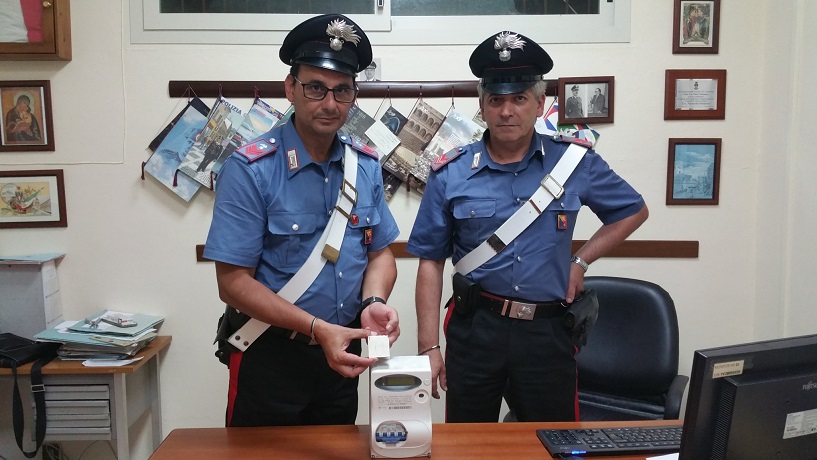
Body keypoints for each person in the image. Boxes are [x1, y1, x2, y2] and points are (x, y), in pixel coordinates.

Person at [407, 30, 648, 423]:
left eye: (519, 98)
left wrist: (581, 262)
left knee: (555, 442)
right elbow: (430, 262)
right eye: (496, 99)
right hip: (476, 329)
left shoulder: (575, 163)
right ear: (482, 106)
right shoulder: (451, 172)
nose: (507, 111)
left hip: (546, 332)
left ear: (540, 103)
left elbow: (632, 211)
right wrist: (428, 347)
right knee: (469, 444)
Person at [204, 13, 401, 427]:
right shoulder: (251, 169)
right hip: (269, 354)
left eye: (342, 90)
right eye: (315, 87)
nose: (329, 103)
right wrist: (316, 328)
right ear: (290, 88)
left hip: (342, 352)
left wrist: (374, 302)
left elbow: (380, 254)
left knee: (337, 451)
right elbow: (232, 282)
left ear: (354, 96)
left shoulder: (364, 166)